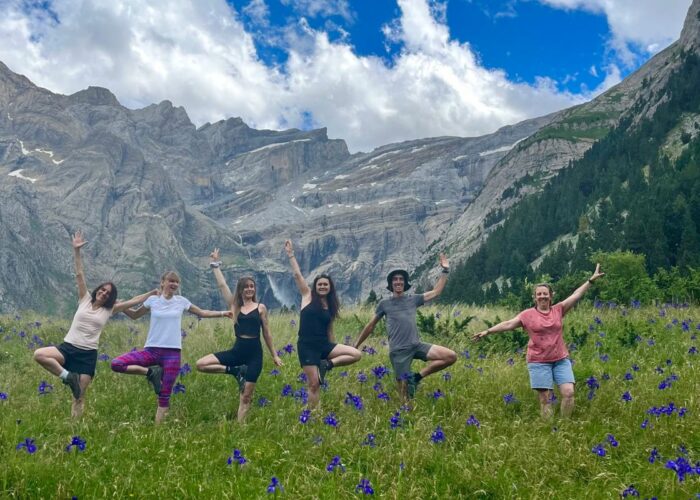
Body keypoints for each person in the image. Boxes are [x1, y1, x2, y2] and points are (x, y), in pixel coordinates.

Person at [33, 231, 157, 418]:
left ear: (111, 298)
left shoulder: (110, 309)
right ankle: (67, 376)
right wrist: (76, 250)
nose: (104, 293)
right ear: (98, 289)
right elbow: (79, 274)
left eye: (108, 293)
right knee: (39, 354)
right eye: (103, 290)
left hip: (87, 355)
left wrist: (151, 293)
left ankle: (74, 429)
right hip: (68, 347)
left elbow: (133, 301)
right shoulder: (84, 298)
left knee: (79, 397)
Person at [472, 264, 605, 418]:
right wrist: (488, 331)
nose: (542, 296)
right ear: (534, 297)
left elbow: (576, 295)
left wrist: (590, 281)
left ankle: (564, 425)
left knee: (568, 393)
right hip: (538, 361)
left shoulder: (559, 309)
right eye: (539, 294)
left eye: (545, 293)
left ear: (551, 295)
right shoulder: (527, 315)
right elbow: (508, 324)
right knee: (545, 399)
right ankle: (549, 429)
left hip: (561, 359)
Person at [111, 270, 232, 424]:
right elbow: (135, 315)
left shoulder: (181, 301)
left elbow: (201, 312)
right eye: (171, 281)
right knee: (116, 364)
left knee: (164, 395)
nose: (174, 284)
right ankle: (151, 373)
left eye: (176, 282)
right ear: (163, 283)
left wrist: (223, 313)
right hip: (152, 350)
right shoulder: (153, 300)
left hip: (172, 354)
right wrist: (121, 306)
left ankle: (158, 432)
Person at [195, 249, 283, 422]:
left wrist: (274, 355)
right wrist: (215, 265)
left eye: (252, 286)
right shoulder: (234, 306)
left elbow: (267, 333)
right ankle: (235, 371)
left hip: (255, 356)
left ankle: (239, 429)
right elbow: (222, 286)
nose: (249, 289)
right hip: (237, 352)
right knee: (201, 364)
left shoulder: (261, 308)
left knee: (246, 396)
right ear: (241, 290)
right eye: (246, 287)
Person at [355, 254, 457, 401]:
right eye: (395, 279)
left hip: (417, 345)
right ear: (391, 284)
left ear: (405, 283)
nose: (398, 282)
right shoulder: (384, 304)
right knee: (404, 398)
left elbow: (436, 292)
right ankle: (406, 418)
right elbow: (370, 326)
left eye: (401, 279)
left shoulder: (413, 299)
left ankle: (416, 377)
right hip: (399, 351)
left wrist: (445, 270)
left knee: (450, 356)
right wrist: (356, 345)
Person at [285, 240, 361, 409]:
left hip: (324, 345)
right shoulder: (307, 296)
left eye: (325, 284)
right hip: (307, 346)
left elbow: (329, 328)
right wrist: (291, 254)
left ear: (330, 287)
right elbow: (298, 276)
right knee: (314, 384)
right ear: (315, 287)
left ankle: (326, 366)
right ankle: (313, 415)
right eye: (320, 284)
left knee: (355, 354)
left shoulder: (331, 305)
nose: (322, 286)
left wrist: (330, 356)